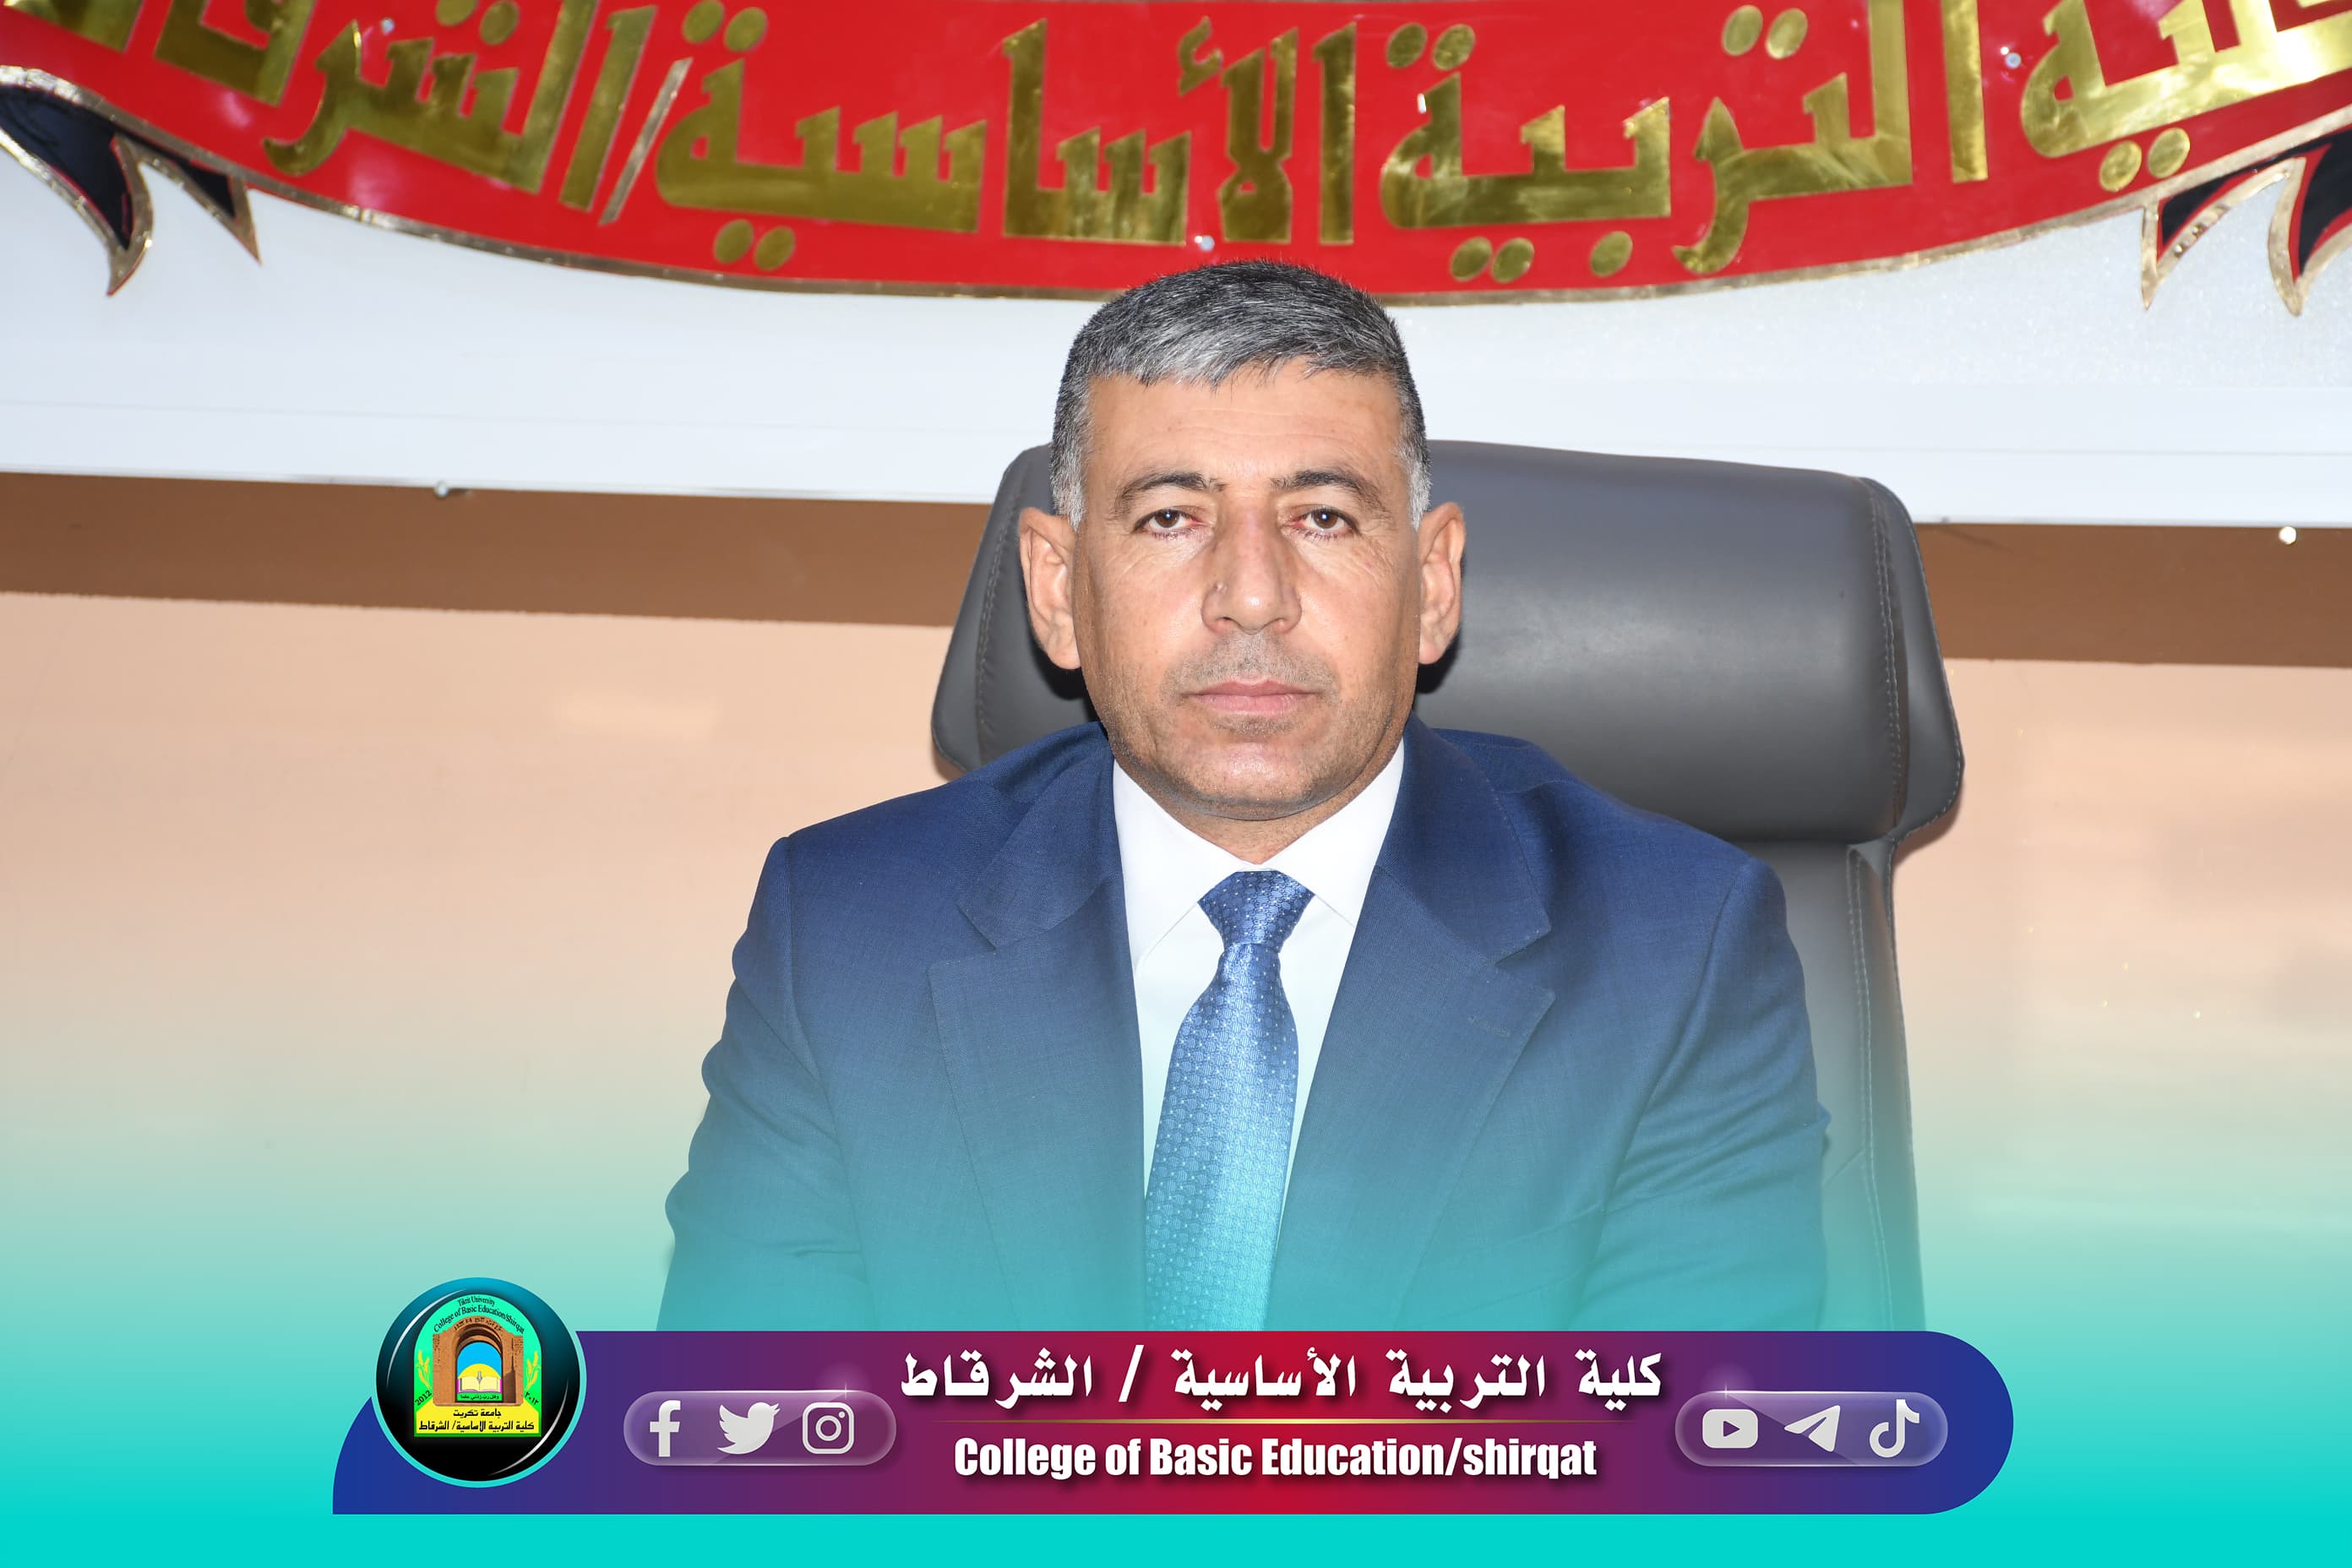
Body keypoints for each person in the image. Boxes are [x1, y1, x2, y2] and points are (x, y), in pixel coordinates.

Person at [659, 261, 1827, 1331]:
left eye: (1323, 517)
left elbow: (1679, 1449)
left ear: (1431, 584)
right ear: (1057, 591)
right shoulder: (848, 928)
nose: (1253, 597)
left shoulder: (1673, 949)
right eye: (1171, 517)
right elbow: (753, 1430)